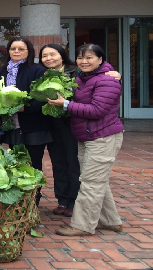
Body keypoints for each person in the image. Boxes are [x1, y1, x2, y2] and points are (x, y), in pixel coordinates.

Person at [48, 44, 124, 236]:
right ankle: (110, 221)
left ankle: (82, 225)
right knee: (96, 181)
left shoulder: (107, 81)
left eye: (89, 57)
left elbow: (97, 110)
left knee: (91, 182)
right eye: (81, 58)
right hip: (86, 136)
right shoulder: (82, 78)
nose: (84, 61)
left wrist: (65, 104)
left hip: (103, 136)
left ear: (101, 59)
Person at [0, 36, 52, 206]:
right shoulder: (2, 72)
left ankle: (33, 200)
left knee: (33, 165)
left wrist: (23, 108)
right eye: (13, 49)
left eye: (21, 49)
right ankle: (19, 199)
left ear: (29, 52)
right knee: (16, 163)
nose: (16, 52)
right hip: (13, 126)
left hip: (34, 126)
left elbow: (43, 98)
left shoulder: (37, 70)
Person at [38, 44, 81, 217]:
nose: (49, 58)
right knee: (58, 163)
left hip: (71, 124)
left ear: (62, 56)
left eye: (52, 54)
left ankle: (74, 201)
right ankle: (62, 199)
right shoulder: (41, 75)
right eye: (44, 56)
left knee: (73, 162)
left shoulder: (76, 73)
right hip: (51, 124)